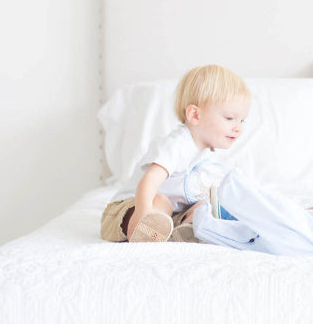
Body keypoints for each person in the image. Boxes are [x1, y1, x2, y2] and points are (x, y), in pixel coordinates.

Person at [100, 65, 251, 243]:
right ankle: (146, 229)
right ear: (195, 115)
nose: (238, 128)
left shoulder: (208, 156)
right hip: (130, 208)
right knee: (162, 202)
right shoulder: (176, 144)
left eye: (242, 120)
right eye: (229, 118)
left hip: (170, 216)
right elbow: (148, 181)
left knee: (206, 206)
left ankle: (182, 232)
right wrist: (142, 214)